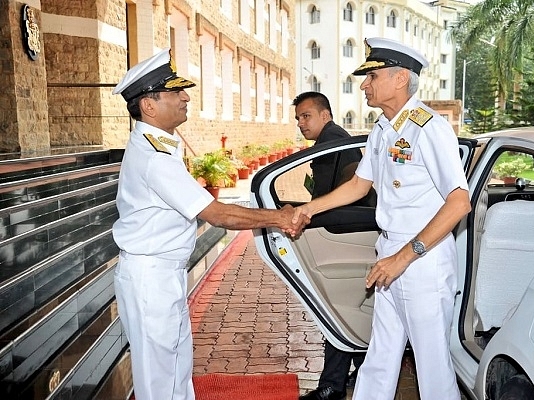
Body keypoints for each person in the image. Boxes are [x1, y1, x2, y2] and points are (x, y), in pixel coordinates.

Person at [111, 48, 308, 400]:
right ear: (149, 105)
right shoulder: (153, 156)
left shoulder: (159, 147)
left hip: (162, 274)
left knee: (176, 367)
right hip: (150, 278)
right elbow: (216, 214)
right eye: (175, 92)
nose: (185, 97)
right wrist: (279, 217)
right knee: (158, 379)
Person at [292, 37, 471, 400]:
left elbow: (459, 203)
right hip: (389, 250)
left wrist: (404, 257)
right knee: (381, 352)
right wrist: (307, 209)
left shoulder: (429, 128)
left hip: (421, 257)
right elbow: (359, 185)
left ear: (401, 78)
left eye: (372, 77)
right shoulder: (384, 128)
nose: (363, 85)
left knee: (432, 364)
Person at [293, 92, 368, 400]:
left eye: (306, 115)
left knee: (336, 308)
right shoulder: (330, 139)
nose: (300, 123)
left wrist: (317, 211)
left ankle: (334, 385)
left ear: (325, 115)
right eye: (298, 118)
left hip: (348, 231)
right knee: (341, 307)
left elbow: (354, 178)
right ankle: (355, 373)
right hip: (341, 228)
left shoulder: (335, 139)